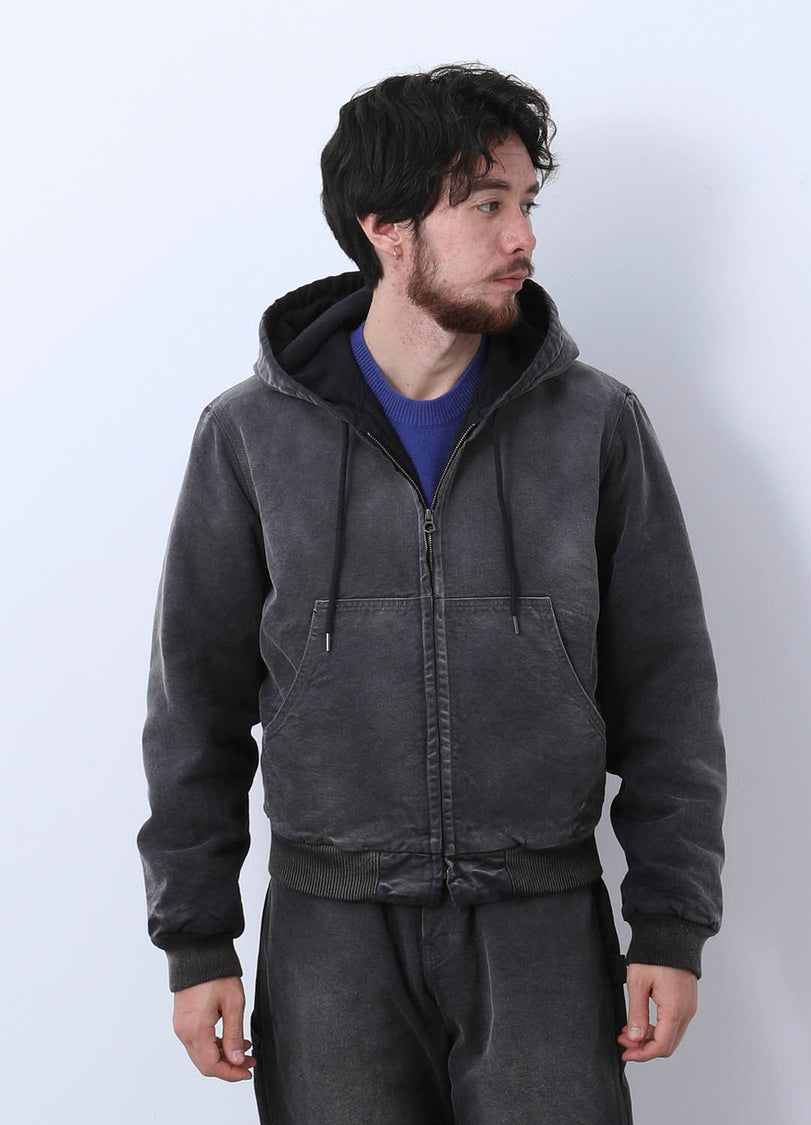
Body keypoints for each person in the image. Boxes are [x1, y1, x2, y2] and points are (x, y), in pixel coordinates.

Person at [138, 63, 726, 1124]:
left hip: (543, 929)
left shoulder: (596, 425)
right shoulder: (250, 437)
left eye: (527, 204)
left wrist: (671, 922)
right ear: (387, 230)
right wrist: (197, 939)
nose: (523, 238)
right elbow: (195, 708)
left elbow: (668, 692)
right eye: (486, 205)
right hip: (329, 937)